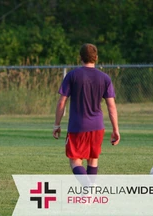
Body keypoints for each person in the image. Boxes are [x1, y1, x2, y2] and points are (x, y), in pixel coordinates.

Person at [52, 43, 120, 180]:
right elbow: (111, 106)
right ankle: (89, 195)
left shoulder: (72, 75)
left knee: (75, 160)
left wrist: (57, 124)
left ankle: (88, 188)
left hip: (78, 126)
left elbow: (61, 102)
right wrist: (115, 129)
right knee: (93, 158)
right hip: (97, 126)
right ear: (96, 57)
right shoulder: (105, 78)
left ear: (80, 57)